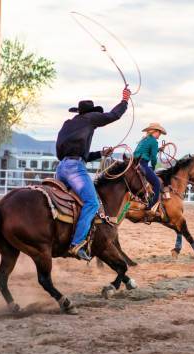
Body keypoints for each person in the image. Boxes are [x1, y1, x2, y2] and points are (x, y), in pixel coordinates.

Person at [55, 87, 131, 261]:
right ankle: (77, 244)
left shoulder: (68, 124)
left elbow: (81, 155)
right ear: (91, 113)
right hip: (75, 169)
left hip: (61, 168)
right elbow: (114, 115)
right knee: (92, 203)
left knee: (63, 204)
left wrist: (100, 154)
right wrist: (125, 100)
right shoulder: (90, 119)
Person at [134, 122, 166, 216]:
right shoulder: (154, 141)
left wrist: (158, 149)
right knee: (157, 183)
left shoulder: (144, 139)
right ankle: (151, 207)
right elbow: (153, 158)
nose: (160, 135)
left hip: (135, 163)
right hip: (142, 164)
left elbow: (146, 150)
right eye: (159, 132)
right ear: (155, 131)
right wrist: (154, 166)